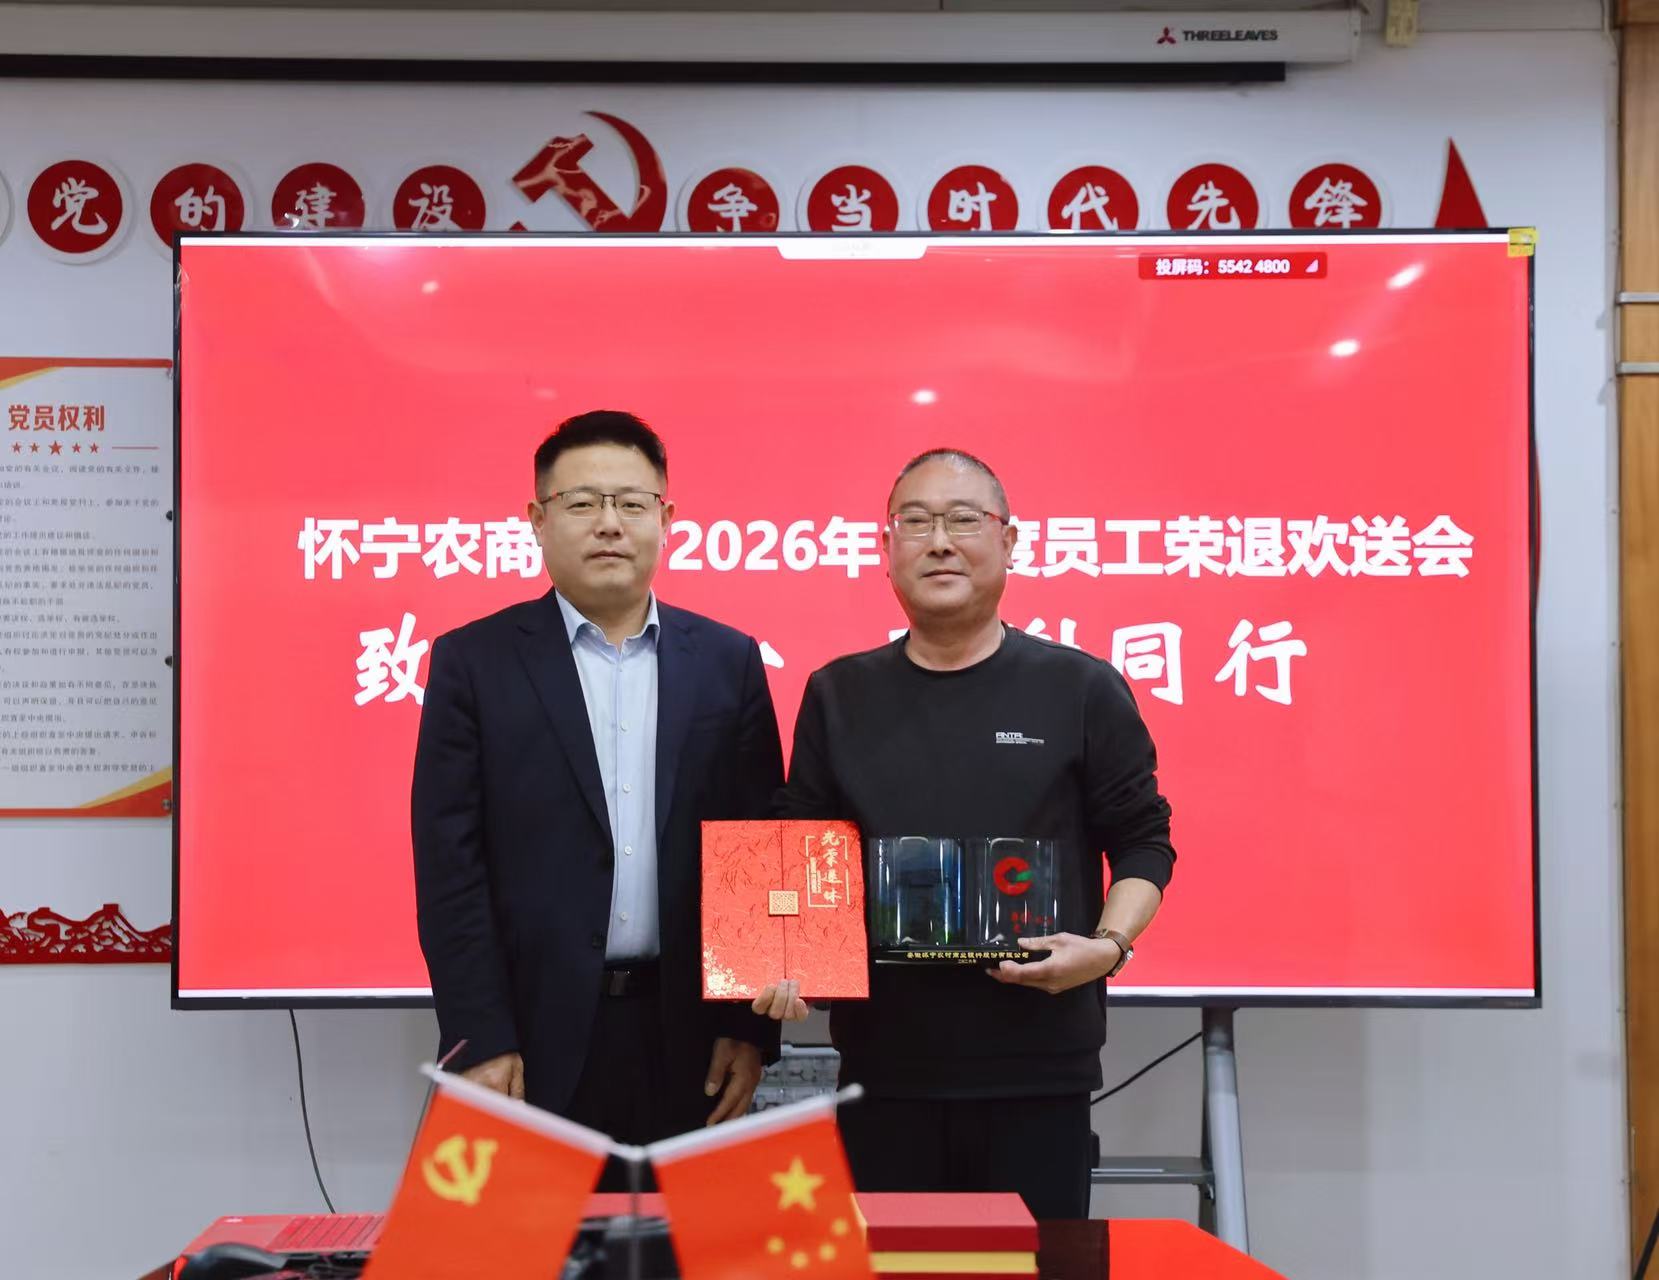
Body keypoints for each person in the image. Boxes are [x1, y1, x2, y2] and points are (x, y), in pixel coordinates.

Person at [758, 448, 1175, 1220]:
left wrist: (1108, 947)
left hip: (1037, 1068)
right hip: (882, 1071)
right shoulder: (838, 693)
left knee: (1030, 1269)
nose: (939, 542)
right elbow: (803, 849)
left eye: (962, 520)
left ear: (1008, 541)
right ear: (886, 549)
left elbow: (1143, 840)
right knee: (895, 1269)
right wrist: (786, 955)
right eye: (915, 523)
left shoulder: (1079, 687)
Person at [413, 409, 784, 1152]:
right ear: (538, 520)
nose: (609, 524)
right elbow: (450, 866)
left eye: (631, 503)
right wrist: (480, 1035)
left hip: (689, 1041)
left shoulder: (727, 661)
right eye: (582, 502)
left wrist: (746, 1028)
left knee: (678, 1229)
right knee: (540, 1232)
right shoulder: (473, 664)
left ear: (666, 519)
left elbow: (755, 850)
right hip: (529, 1042)